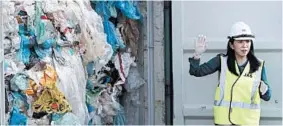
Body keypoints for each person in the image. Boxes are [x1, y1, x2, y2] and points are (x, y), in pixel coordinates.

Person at [188, 21, 271, 125]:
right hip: (225, 121)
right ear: (232, 44)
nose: (245, 45)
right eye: (240, 42)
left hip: (248, 122)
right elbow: (196, 71)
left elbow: (267, 97)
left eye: (247, 41)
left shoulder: (259, 65)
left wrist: (264, 90)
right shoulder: (221, 61)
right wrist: (197, 54)